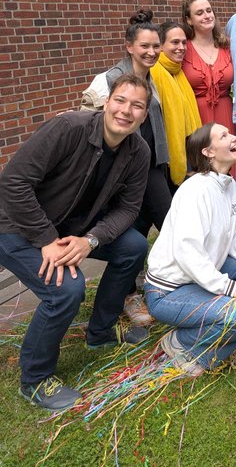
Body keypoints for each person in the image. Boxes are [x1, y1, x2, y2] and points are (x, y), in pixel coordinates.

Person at [0, 75, 152, 410]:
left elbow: (129, 208)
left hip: (71, 227)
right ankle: (36, 379)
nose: (126, 111)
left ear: (144, 114)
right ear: (107, 101)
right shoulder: (68, 127)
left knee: (134, 247)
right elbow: (13, 183)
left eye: (137, 106)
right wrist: (47, 239)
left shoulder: (137, 151)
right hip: (16, 226)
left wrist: (91, 240)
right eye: (121, 100)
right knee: (66, 289)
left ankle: (100, 333)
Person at [145, 123, 236, 375]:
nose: (233, 137)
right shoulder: (196, 190)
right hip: (168, 291)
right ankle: (183, 344)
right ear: (208, 152)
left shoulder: (228, 185)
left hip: (198, 277)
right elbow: (187, 252)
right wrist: (230, 288)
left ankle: (214, 325)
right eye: (223, 136)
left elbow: (234, 235)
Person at [82, 9, 172, 326]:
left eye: (155, 46)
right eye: (144, 46)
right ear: (129, 46)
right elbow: (88, 125)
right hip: (122, 174)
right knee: (137, 231)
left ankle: (164, 282)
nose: (151, 52)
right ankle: (130, 296)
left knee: (161, 224)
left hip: (150, 168)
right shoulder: (108, 82)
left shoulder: (151, 80)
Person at [150, 20, 202, 189]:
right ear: (161, 46)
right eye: (174, 42)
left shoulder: (177, 71)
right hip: (166, 159)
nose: (181, 47)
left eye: (184, 42)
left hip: (187, 151)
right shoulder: (155, 73)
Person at [182, 0, 234, 133]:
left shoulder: (227, 46)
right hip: (197, 117)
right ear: (189, 20)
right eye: (199, 13)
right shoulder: (182, 49)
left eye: (209, 11)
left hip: (227, 114)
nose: (207, 16)